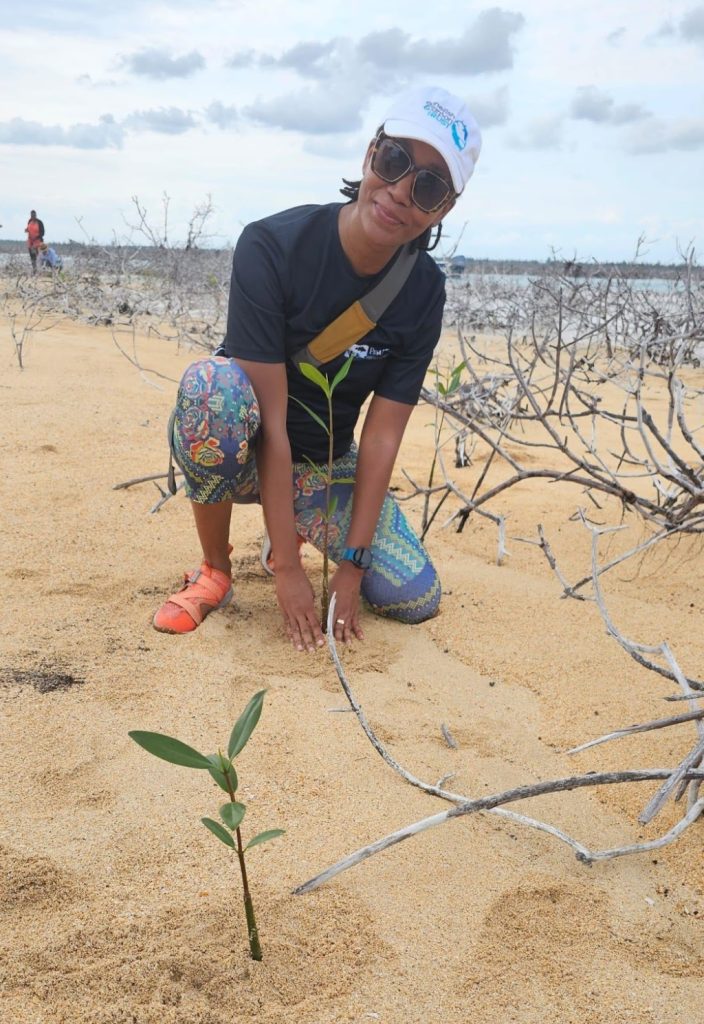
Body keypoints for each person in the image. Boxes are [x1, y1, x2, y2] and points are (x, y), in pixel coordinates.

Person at [152, 84, 482, 652]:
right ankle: (215, 569)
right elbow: (271, 428)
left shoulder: (424, 292)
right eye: (395, 160)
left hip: (324, 466)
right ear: (369, 153)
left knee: (414, 598)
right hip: (247, 451)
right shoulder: (272, 246)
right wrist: (286, 571)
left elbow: (380, 438)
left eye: (428, 186)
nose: (401, 191)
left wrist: (351, 567)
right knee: (213, 390)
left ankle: (295, 525)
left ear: (444, 209)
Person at [24, 210, 45, 274]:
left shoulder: (39, 222)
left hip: (38, 242)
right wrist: (27, 230)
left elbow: (43, 232)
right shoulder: (29, 221)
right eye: (32, 215)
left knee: (38, 256)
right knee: (32, 257)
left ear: (36, 215)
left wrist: (36, 237)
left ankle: (40, 270)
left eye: (34, 215)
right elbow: (29, 229)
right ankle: (34, 270)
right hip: (30, 242)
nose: (33, 216)